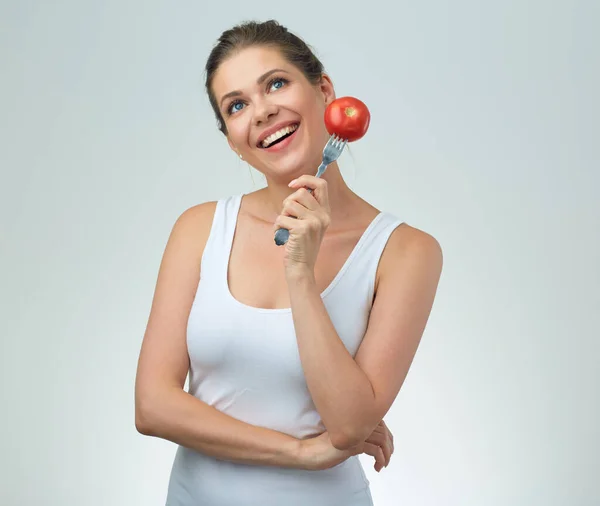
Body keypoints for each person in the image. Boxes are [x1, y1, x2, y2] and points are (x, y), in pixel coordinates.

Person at [134, 19, 443, 506]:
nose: (262, 111)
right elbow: (152, 406)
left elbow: (349, 425)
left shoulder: (406, 252)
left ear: (324, 91)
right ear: (233, 140)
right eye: (237, 105)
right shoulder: (199, 228)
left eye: (276, 83)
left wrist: (300, 274)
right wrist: (299, 451)